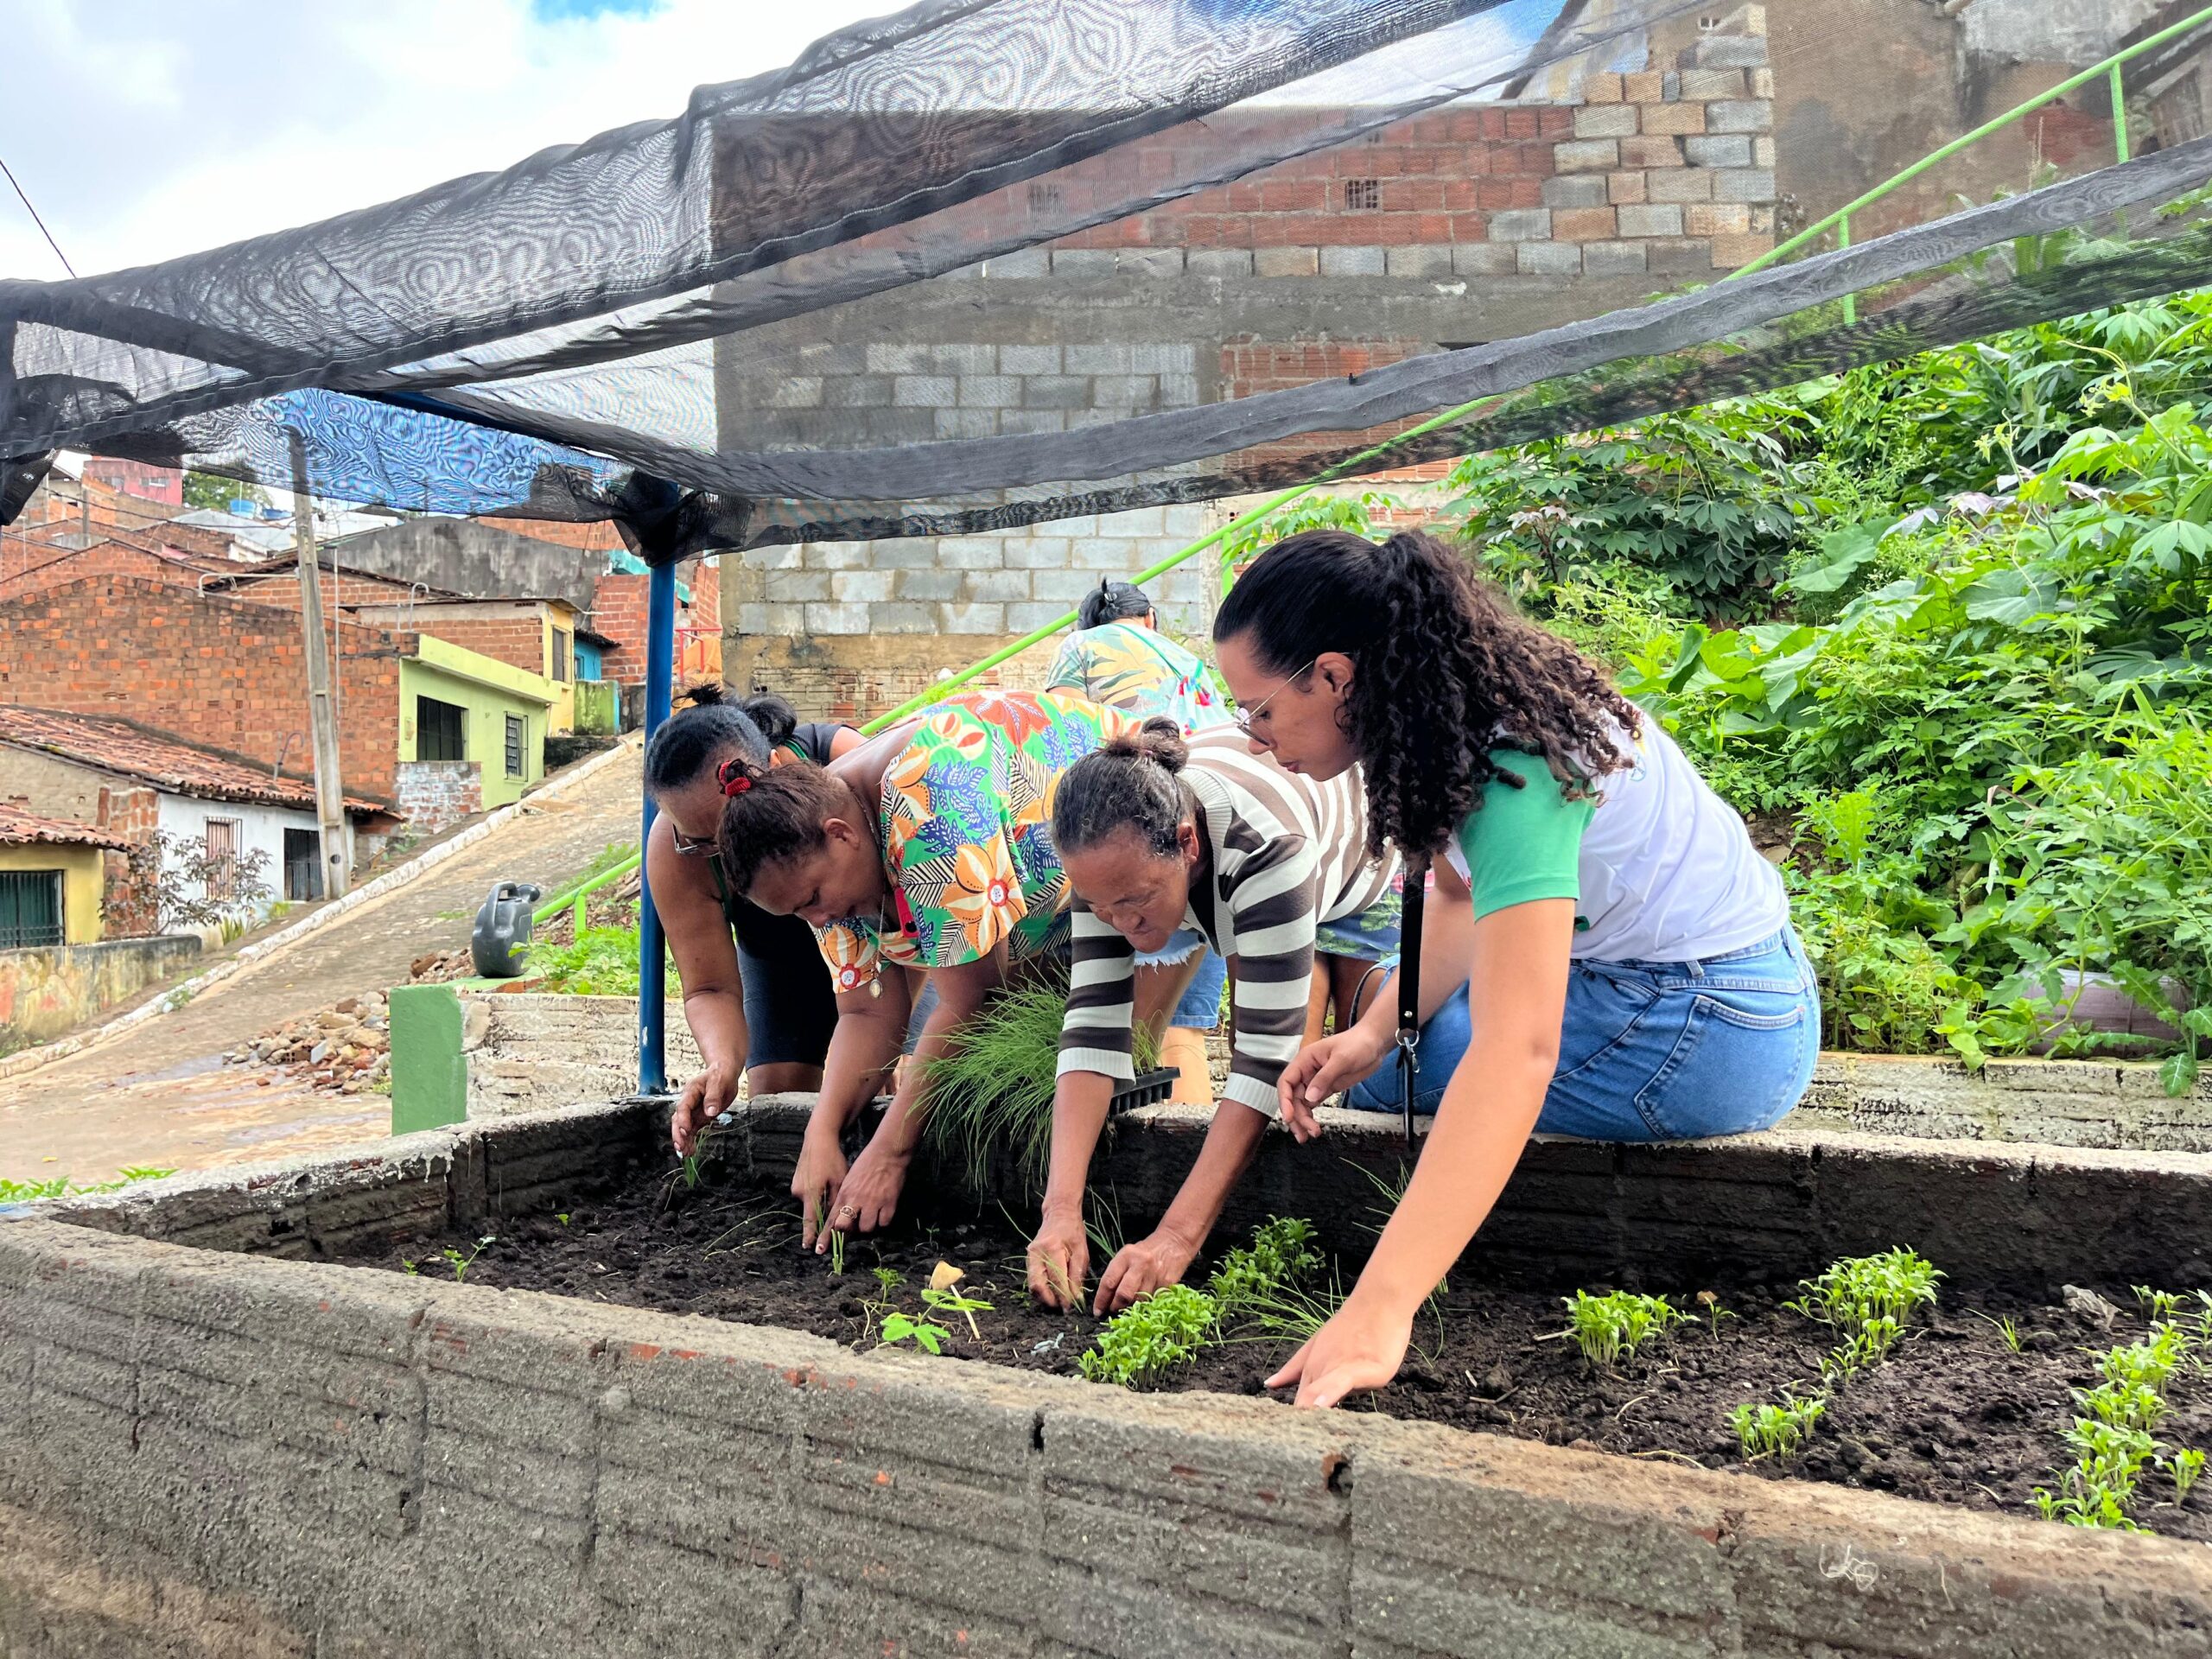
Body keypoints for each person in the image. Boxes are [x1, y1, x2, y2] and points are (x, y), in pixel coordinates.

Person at [1211, 528, 1819, 1408]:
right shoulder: (1465, 703)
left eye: (1260, 710)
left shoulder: (1516, 767)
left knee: (1425, 1072)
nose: (1256, 738)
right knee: (1395, 1023)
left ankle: (1408, 1261)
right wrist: (1374, 1032)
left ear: (1336, 676)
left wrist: (1379, 1308)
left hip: (1711, 1024)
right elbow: (1457, 899)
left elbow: (1518, 1051)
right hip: (1715, 989)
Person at [714, 688, 1192, 1250]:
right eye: (801, 912)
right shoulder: (818, 835)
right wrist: (822, 1131)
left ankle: (1142, 1214)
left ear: (841, 836)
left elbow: (973, 1001)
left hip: (1145, 853)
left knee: (1123, 1051)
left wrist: (889, 1151)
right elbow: (867, 1010)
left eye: (815, 898)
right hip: (1055, 915)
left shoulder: (925, 802)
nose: (820, 919)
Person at [1026, 718, 1406, 1313]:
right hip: (1237, 867)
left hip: (1363, 863)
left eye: (1134, 902)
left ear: (1187, 842)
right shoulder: (1110, 864)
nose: (1119, 923)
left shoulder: (1266, 850)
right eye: (1102, 907)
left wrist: (1176, 1239)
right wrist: (1059, 1214)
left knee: (1334, 1051)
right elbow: (1093, 1026)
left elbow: (1260, 1059)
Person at [643, 685, 862, 1156]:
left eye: (732, 826)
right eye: (704, 842)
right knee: (779, 1106)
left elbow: (928, 910)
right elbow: (709, 988)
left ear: (776, 768)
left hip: (892, 942)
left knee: (888, 1083)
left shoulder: (844, 764)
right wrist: (722, 1063)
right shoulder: (675, 852)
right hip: (780, 960)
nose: (732, 853)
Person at [1045, 576, 1237, 1108]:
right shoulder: (1190, 661)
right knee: (1185, 1033)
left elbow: (1063, 737)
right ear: (1149, 619)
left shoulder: (1080, 648)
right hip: (1205, 848)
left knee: (1127, 1038)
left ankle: (1146, 1176)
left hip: (1138, 851)